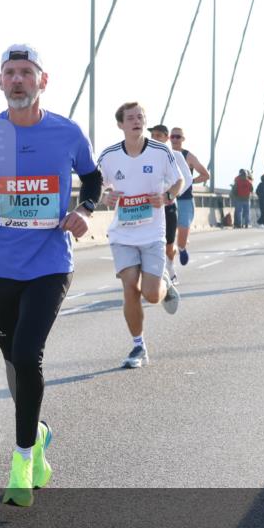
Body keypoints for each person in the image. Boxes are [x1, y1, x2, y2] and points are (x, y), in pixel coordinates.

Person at [0, 44, 101, 507]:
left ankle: (22, 461)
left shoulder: (67, 132)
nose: (17, 80)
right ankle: (39, 433)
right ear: (0, 81)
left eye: (26, 72)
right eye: (10, 72)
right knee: (15, 365)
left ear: (42, 81)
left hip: (51, 264)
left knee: (29, 355)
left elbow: (92, 178)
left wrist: (86, 209)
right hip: (0, 270)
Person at [97, 102, 182, 369]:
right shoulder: (109, 155)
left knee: (152, 295)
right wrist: (105, 195)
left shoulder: (160, 151)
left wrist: (167, 196)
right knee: (130, 287)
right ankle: (138, 346)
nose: (137, 121)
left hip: (152, 232)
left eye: (140, 117)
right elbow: (96, 186)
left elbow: (178, 181)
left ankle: (164, 283)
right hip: (122, 234)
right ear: (120, 124)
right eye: (131, 118)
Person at [147, 124, 191, 283]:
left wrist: (171, 195)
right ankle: (155, 274)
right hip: (150, 207)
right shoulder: (145, 155)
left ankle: (171, 269)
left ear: (166, 138)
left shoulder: (176, 155)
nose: (155, 138)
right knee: (150, 243)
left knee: (169, 244)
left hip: (169, 206)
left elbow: (187, 179)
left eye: (159, 136)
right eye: (153, 135)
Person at [168, 127, 210, 260]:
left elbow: (205, 175)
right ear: (169, 138)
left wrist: (191, 181)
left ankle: (182, 248)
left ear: (183, 139)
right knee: (167, 234)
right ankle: (170, 257)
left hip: (185, 199)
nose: (175, 139)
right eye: (173, 136)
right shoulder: (164, 154)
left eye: (178, 137)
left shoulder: (189, 156)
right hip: (169, 199)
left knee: (182, 232)